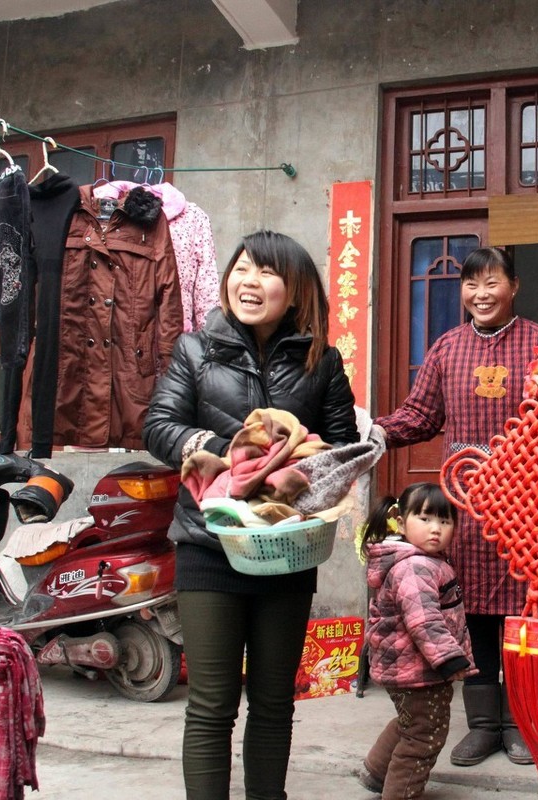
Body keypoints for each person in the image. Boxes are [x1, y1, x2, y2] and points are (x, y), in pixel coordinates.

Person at [143, 230, 358, 800]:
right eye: (241, 269)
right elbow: (158, 426)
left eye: (265, 272)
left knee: (272, 700)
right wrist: (233, 451)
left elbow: (339, 453)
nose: (249, 282)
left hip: (285, 549)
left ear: (294, 290)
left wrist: (297, 472)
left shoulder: (322, 361)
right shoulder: (194, 349)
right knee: (212, 703)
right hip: (209, 546)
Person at [373, 245, 538, 768]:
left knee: (521, 616)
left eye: (492, 283)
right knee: (471, 617)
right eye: (471, 284)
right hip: (466, 510)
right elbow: (419, 416)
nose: (481, 294)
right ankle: (484, 725)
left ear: (514, 286)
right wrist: (374, 433)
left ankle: (521, 725)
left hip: (531, 507)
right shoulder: (447, 348)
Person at [359, 482, 476, 798]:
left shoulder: (424, 560)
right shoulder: (416, 566)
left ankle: (376, 773)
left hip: (409, 666)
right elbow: (423, 621)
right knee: (424, 734)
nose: (436, 529)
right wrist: (450, 660)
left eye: (445, 520)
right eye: (425, 519)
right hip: (420, 670)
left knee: (410, 721)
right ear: (400, 522)